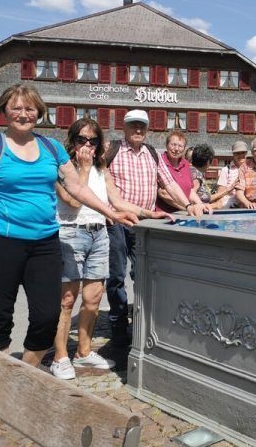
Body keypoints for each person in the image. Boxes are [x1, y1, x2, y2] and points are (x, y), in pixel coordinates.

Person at [0, 84, 138, 368]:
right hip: (0, 241)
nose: (23, 113)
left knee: (47, 317)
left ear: (39, 112)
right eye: (16, 107)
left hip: (45, 243)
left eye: (30, 108)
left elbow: (77, 189)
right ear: (5, 110)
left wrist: (112, 212)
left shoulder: (51, 147)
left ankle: (24, 374)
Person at [51, 118, 168, 380]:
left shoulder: (102, 168)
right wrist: (82, 167)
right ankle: (59, 357)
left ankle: (83, 352)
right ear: (73, 141)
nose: (88, 145)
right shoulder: (63, 166)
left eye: (93, 141)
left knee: (93, 299)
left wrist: (150, 213)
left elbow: (116, 201)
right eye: (82, 139)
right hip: (70, 233)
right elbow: (71, 198)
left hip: (99, 234)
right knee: (67, 300)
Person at [106, 109, 208, 346]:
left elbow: (169, 184)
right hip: (119, 223)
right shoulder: (113, 150)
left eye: (142, 126)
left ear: (148, 129)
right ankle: (119, 331)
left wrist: (188, 205)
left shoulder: (152, 154)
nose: (138, 130)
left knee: (141, 275)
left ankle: (141, 326)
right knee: (116, 276)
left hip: (144, 224)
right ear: (125, 127)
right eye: (133, 126)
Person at [156, 130, 207, 213]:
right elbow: (163, 193)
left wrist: (201, 205)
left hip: (184, 213)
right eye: (173, 145)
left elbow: (190, 191)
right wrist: (187, 207)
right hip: (165, 215)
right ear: (166, 145)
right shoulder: (160, 162)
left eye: (180, 146)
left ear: (184, 149)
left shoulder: (186, 164)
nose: (176, 149)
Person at [216, 141, 248, 208]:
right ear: (233, 154)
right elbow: (219, 195)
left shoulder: (251, 169)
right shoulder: (226, 170)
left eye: (243, 153)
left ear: (246, 153)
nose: (241, 155)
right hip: (229, 206)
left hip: (247, 205)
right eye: (237, 153)